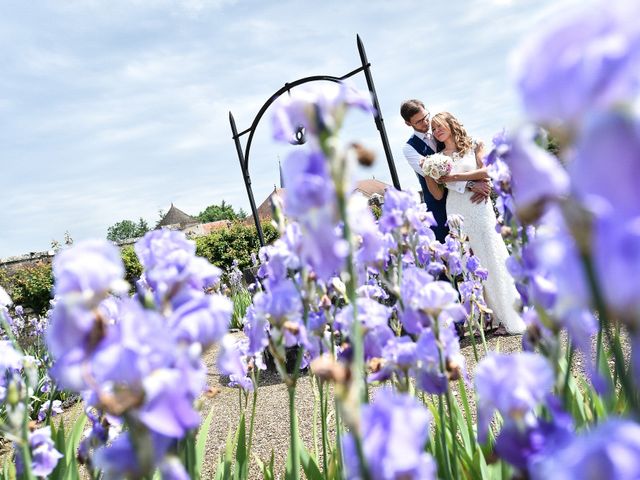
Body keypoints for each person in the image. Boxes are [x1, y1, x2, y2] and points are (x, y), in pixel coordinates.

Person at [427, 111, 525, 335]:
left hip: (479, 208)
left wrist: (457, 178)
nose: (436, 130)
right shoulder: (438, 158)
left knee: (491, 257)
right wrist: (429, 174)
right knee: (468, 262)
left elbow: (487, 171)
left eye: (439, 125)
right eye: (433, 128)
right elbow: (439, 194)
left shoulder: (474, 145)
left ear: (451, 124)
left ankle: (507, 316)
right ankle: (486, 318)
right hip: (456, 211)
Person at [400, 99, 490, 242]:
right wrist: (472, 185)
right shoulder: (409, 148)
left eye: (425, 117)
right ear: (408, 123)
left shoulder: (442, 133)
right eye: (419, 122)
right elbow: (436, 177)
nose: (426, 123)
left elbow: (468, 158)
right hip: (440, 204)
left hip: (471, 199)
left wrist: (484, 182)